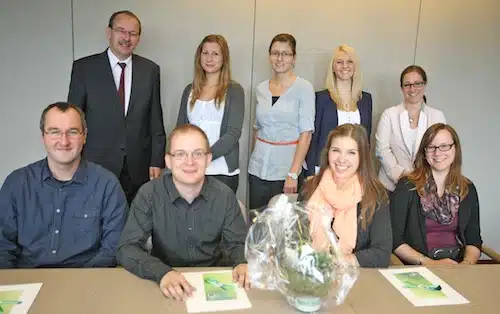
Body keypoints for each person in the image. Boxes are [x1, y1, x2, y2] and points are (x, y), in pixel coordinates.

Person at [117, 124, 249, 301]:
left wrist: (242, 262)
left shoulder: (225, 196)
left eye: (197, 153)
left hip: (212, 282)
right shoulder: (149, 194)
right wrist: (162, 273)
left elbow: (238, 244)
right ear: (168, 161)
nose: (190, 161)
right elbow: (127, 248)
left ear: (208, 159)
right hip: (164, 281)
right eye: (180, 154)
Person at [0, 102, 127, 268]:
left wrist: (80, 284)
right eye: (55, 132)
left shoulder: (107, 185)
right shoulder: (16, 184)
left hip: (86, 281)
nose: (64, 141)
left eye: (72, 132)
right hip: (27, 281)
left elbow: (112, 248)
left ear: (84, 136)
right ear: (43, 136)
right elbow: (3, 247)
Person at [68, 10, 166, 204]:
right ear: (109, 32)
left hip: (138, 164)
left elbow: (155, 117)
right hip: (96, 162)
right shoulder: (84, 68)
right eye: (121, 31)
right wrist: (73, 158)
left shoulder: (150, 70)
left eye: (133, 33)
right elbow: (73, 119)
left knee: (134, 225)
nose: (126, 38)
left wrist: (157, 159)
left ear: (138, 38)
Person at [300, 124, 391, 268]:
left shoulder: (376, 195)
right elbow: (295, 240)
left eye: (351, 153)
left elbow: (381, 254)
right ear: (328, 152)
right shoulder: (310, 188)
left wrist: (337, 261)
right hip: (310, 274)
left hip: (357, 279)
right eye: (336, 150)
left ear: (362, 157)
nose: (342, 159)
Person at [390, 123, 482, 265]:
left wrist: (466, 265)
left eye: (444, 146)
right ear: (424, 152)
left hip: (458, 266)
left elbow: (473, 239)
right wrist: (428, 262)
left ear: (455, 148)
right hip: (420, 266)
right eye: (431, 147)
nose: (437, 153)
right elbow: (394, 239)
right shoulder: (406, 187)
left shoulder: (467, 189)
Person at [248, 33, 315, 209]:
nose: (279, 58)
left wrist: (293, 174)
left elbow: (306, 134)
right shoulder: (261, 88)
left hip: (286, 170)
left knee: (284, 228)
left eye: (285, 54)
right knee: (258, 223)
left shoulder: (304, 88)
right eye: (275, 53)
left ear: (294, 58)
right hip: (258, 168)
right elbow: (257, 128)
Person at [176, 34, 244, 194]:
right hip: (190, 170)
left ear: (224, 58)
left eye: (215, 54)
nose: (209, 58)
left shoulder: (234, 90)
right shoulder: (189, 90)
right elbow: (179, 130)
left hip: (222, 171)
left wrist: (205, 156)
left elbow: (233, 133)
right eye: (205, 53)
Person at [376, 65, 446, 193]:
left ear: (424, 85)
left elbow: (440, 151)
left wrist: (420, 179)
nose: (412, 89)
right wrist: (402, 176)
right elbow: (382, 150)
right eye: (407, 84)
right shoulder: (389, 114)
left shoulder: (437, 116)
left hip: (424, 186)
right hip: (389, 187)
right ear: (402, 88)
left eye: (417, 83)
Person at [306, 44, 372, 177]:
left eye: (349, 62)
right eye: (339, 62)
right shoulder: (321, 98)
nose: (344, 66)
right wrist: (312, 172)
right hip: (324, 169)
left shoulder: (366, 99)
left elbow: (366, 140)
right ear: (333, 67)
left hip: (354, 170)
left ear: (355, 66)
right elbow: (313, 138)